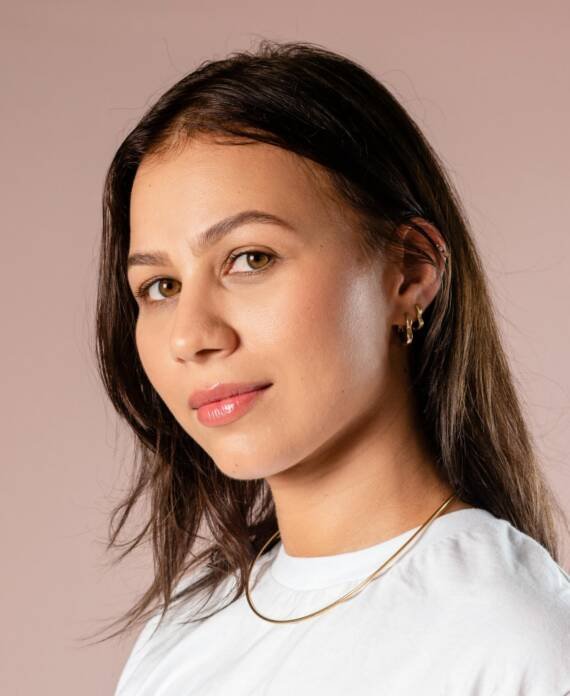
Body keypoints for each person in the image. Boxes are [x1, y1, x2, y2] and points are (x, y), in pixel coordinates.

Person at [91, 40, 570, 694]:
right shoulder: (182, 635)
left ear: (410, 272)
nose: (191, 336)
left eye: (251, 258)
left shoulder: (517, 644)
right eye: (161, 287)